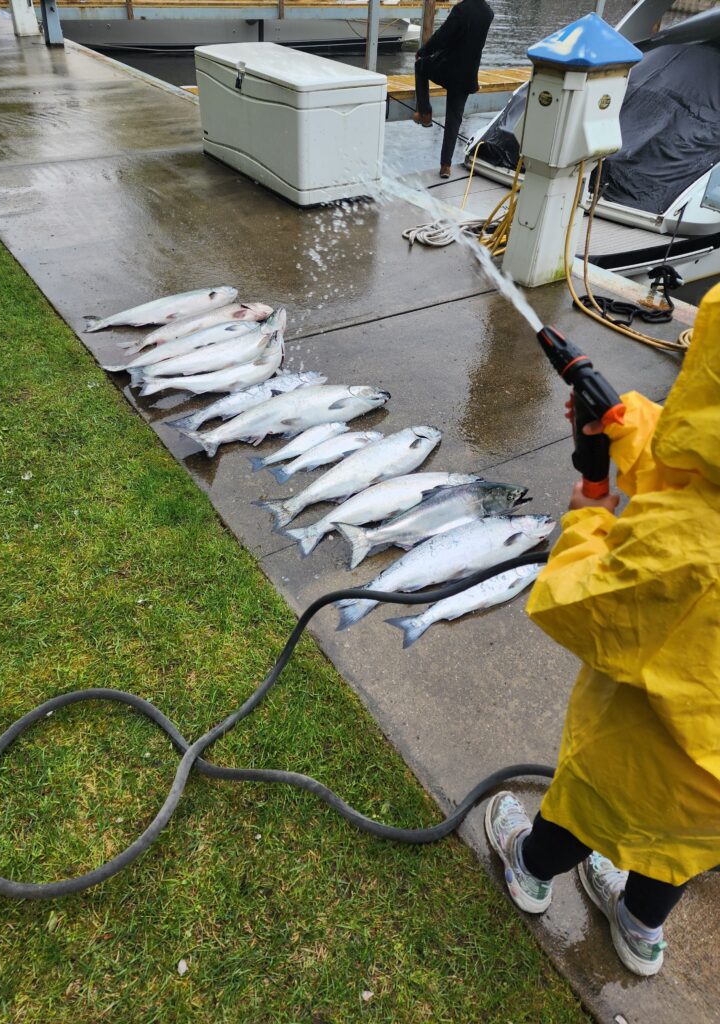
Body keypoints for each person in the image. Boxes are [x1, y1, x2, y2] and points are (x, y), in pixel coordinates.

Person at [485, 282, 720, 977]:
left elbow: (580, 606)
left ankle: (529, 867)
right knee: (676, 855)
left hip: (647, 753)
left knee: (584, 814)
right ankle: (641, 930)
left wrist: (589, 500)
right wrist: (626, 422)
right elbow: (696, 475)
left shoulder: (691, 547)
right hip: (712, 798)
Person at [413, 0, 494, 179]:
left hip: (449, 69)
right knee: (454, 118)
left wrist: (424, 51)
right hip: (468, 75)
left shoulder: (461, 10)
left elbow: (443, 36)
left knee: (420, 66)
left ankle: (425, 113)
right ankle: (445, 166)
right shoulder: (488, 13)